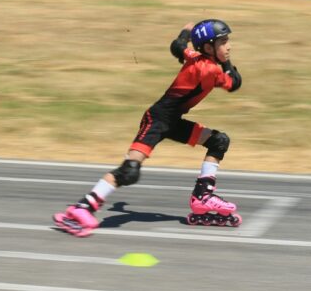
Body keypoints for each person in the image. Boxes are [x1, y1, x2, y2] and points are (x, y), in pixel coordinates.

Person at [53, 19, 243, 237]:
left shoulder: (194, 57)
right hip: (157, 120)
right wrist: (226, 63)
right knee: (129, 170)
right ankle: (80, 209)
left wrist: (184, 32)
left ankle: (203, 196)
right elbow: (234, 83)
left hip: (173, 121)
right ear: (209, 47)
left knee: (219, 141)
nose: (229, 46)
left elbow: (177, 47)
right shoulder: (208, 69)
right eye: (224, 42)